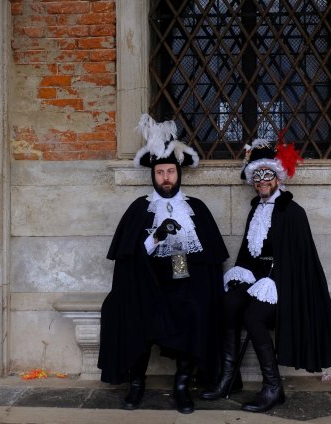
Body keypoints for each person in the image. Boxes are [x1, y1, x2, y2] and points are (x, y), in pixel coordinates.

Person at [200, 135, 331, 413]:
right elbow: (247, 249)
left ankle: (272, 387)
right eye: (257, 177)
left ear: (278, 178)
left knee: (253, 316)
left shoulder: (293, 212)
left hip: (283, 283)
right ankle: (229, 377)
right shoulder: (255, 208)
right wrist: (242, 274)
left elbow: (298, 260)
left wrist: (273, 281)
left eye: (267, 175)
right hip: (256, 277)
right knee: (229, 304)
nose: (262, 182)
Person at [98, 114, 228, 414]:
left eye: (170, 171)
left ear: (178, 173)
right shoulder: (139, 209)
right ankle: (136, 382)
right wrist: (156, 236)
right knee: (129, 308)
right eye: (160, 173)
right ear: (152, 175)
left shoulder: (196, 208)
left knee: (195, 308)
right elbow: (128, 256)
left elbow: (210, 257)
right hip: (147, 280)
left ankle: (182, 384)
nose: (166, 177)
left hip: (186, 280)